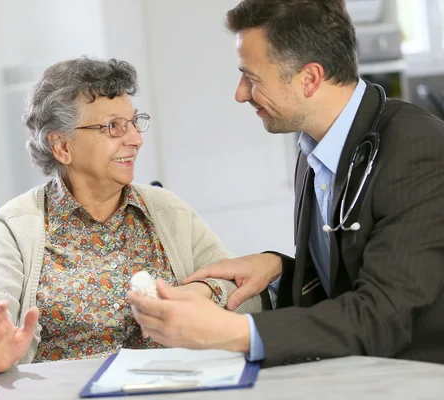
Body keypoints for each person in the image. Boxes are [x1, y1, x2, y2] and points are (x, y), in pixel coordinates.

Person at [129, 0, 444, 367]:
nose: (241, 93)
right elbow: (350, 280)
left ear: (309, 78)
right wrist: (280, 269)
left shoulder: (418, 150)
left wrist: (230, 331)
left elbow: (382, 314)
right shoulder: (314, 148)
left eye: (253, 78)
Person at [0, 56, 262, 373]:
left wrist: (206, 291)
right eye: (114, 127)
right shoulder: (19, 223)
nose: (136, 139)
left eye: (134, 122)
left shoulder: (167, 211)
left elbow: (250, 297)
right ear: (61, 147)